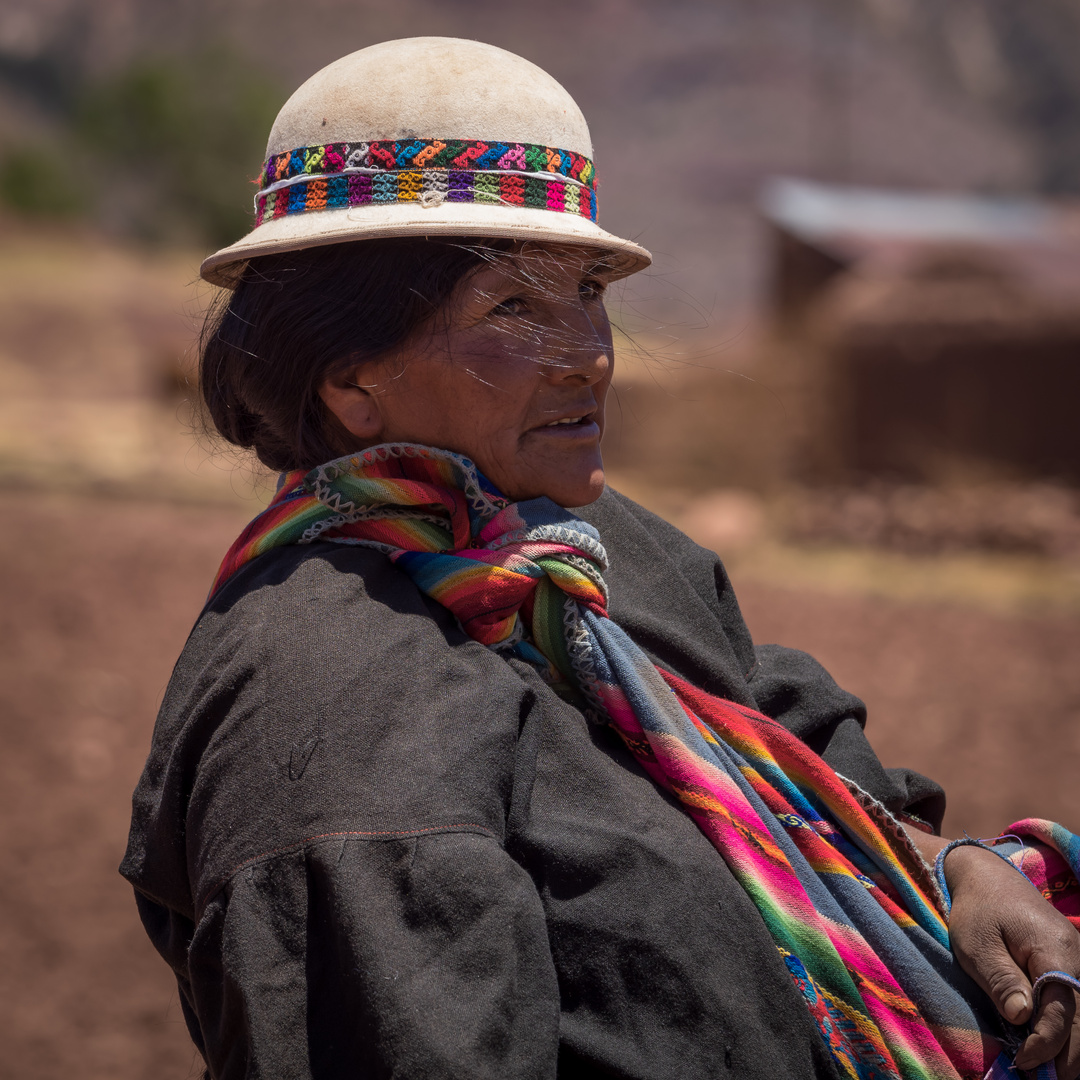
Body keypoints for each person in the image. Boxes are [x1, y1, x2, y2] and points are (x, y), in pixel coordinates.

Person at [121, 37, 1080, 1080]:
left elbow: (783, 739)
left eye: (588, 291)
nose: (592, 352)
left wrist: (947, 865)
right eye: (514, 307)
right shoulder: (324, 720)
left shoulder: (595, 552)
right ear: (354, 382)